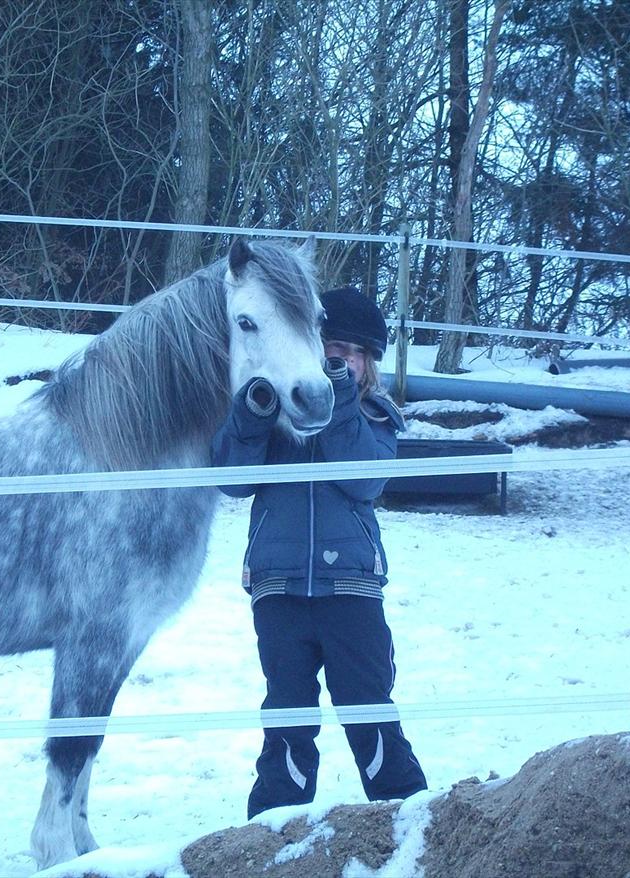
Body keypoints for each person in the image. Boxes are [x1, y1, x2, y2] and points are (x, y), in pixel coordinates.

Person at [211, 284, 428, 819]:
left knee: (369, 708)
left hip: (351, 591)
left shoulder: (374, 415)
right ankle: (272, 830)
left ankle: (408, 818)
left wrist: (340, 404)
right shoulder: (277, 416)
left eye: (352, 352)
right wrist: (249, 418)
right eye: (329, 345)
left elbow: (364, 481)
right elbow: (232, 483)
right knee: (286, 714)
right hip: (278, 587)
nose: (338, 357)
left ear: (369, 363)